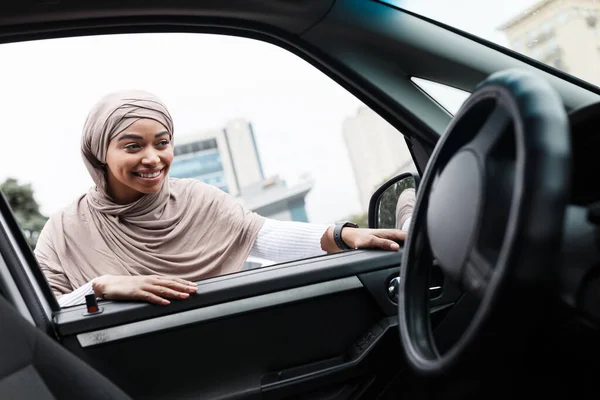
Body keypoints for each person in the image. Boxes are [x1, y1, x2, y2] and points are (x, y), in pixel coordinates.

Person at [34, 90, 407, 308]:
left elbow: (260, 235)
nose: (152, 158)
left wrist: (345, 236)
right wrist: (100, 287)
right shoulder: (65, 228)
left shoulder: (197, 199)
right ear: (100, 152)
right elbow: (40, 311)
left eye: (162, 143)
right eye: (133, 146)